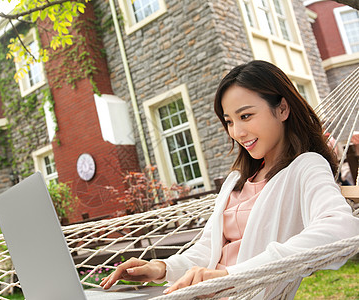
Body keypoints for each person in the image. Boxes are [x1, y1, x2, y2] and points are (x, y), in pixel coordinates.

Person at [99, 60, 359, 298]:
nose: (237, 132)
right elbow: (207, 252)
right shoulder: (236, 181)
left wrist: (231, 277)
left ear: (282, 109)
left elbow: (340, 228)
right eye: (229, 121)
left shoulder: (305, 167)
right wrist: (161, 268)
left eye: (245, 116)